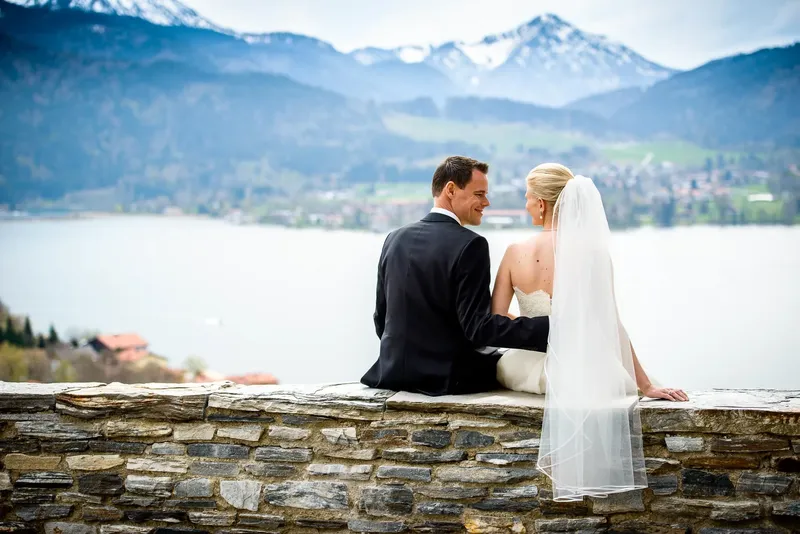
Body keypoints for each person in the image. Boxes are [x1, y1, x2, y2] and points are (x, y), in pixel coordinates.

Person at [491, 162, 687, 502]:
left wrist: (532, 322)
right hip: (581, 369)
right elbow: (611, 322)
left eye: (527, 197)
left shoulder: (514, 252)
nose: (525, 205)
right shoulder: (592, 254)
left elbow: (496, 320)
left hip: (526, 369)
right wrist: (646, 384)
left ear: (541, 203)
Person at [360, 155, 550, 396]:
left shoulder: (395, 238)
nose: (487, 202)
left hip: (391, 371)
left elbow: (382, 317)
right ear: (451, 189)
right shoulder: (470, 245)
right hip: (448, 378)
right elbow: (479, 329)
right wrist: (550, 327)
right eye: (479, 194)